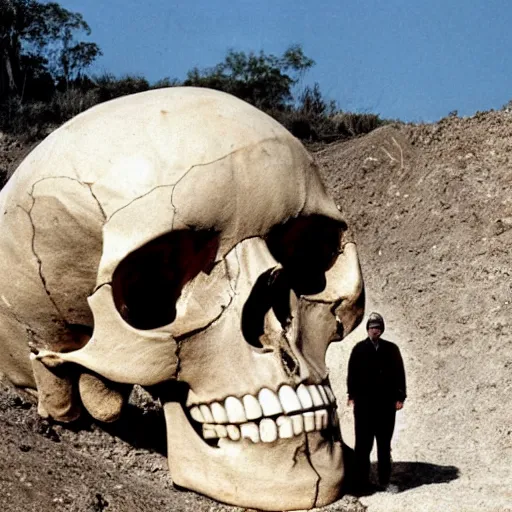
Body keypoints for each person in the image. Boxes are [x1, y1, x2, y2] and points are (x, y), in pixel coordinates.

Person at [347, 312, 406, 493]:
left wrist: (400, 397)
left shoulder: (391, 349)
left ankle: (385, 481)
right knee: (363, 445)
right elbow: (352, 374)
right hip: (364, 406)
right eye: (372, 328)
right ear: (368, 330)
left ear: (382, 330)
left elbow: (399, 374)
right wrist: (351, 395)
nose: (375, 331)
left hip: (386, 406)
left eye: (378, 328)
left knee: (383, 444)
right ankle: (361, 484)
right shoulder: (359, 349)